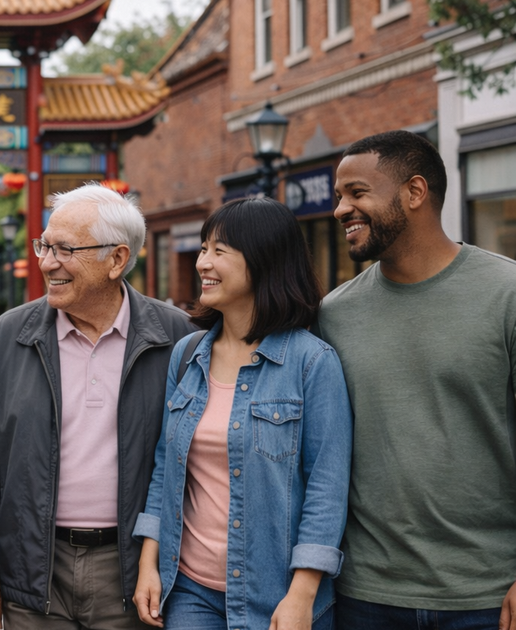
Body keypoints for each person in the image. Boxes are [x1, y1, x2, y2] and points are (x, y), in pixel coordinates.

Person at [0, 184, 194, 630]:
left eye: (65, 249)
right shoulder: (8, 336)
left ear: (116, 259)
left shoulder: (179, 339)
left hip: (132, 569)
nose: (47, 262)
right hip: (34, 568)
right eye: (44, 245)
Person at [317, 130, 516, 629]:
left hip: (488, 595)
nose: (341, 209)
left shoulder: (506, 295)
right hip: (365, 595)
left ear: (414, 192)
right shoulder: (335, 314)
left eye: (357, 193)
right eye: (339, 196)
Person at [132, 198, 352, 630]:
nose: (202, 263)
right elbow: (166, 469)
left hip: (276, 595)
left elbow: (327, 487)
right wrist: (148, 564)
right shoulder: (187, 356)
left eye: (219, 251)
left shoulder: (311, 363)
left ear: (264, 261)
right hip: (191, 591)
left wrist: (301, 595)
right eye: (203, 248)